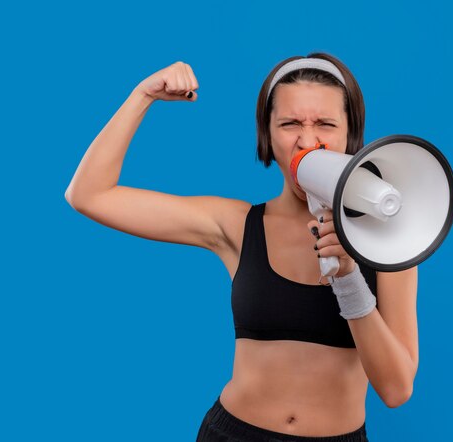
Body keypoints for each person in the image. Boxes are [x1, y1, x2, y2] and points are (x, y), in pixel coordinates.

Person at [65, 53, 419, 442]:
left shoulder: (389, 241)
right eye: (289, 124)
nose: (307, 140)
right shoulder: (237, 225)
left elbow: (396, 389)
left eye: (325, 124)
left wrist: (349, 277)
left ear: (351, 134)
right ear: (267, 134)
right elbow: (89, 194)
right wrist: (142, 95)